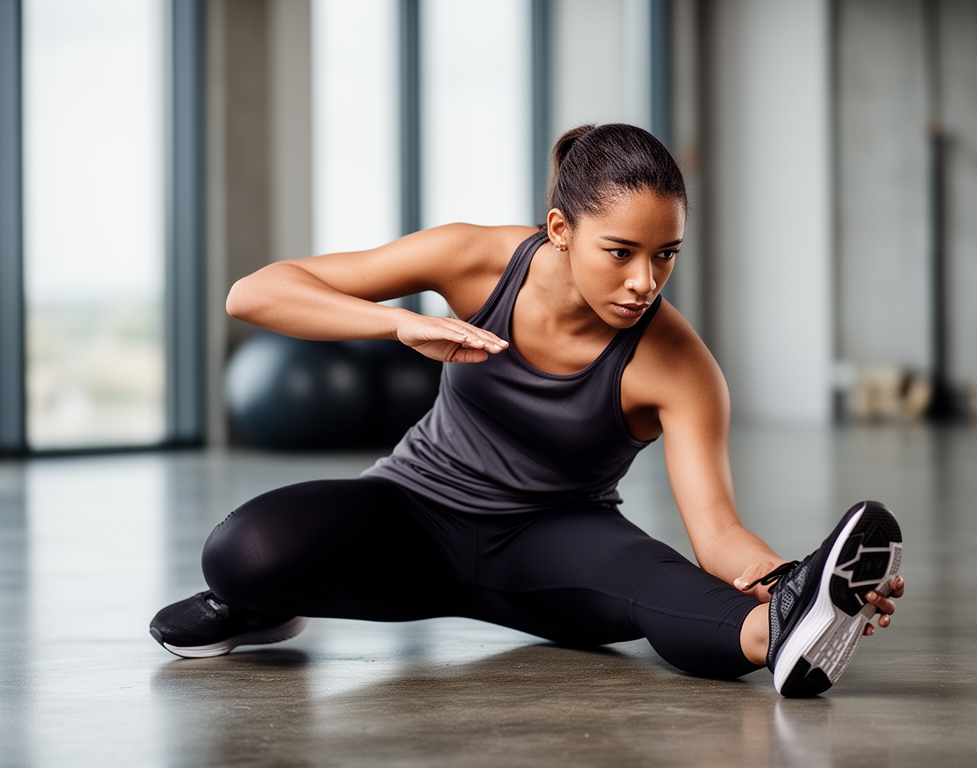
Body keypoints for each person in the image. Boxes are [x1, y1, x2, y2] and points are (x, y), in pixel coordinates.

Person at [150, 124, 904, 697]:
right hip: (412, 514)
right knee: (242, 554)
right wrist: (399, 322)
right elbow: (253, 292)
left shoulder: (679, 365)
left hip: (555, 547)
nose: (646, 281)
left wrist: (790, 577)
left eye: (666, 253)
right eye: (621, 252)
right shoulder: (474, 261)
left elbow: (717, 532)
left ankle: (787, 633)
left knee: (664, 592)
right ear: (560, 231)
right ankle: (263, 600)